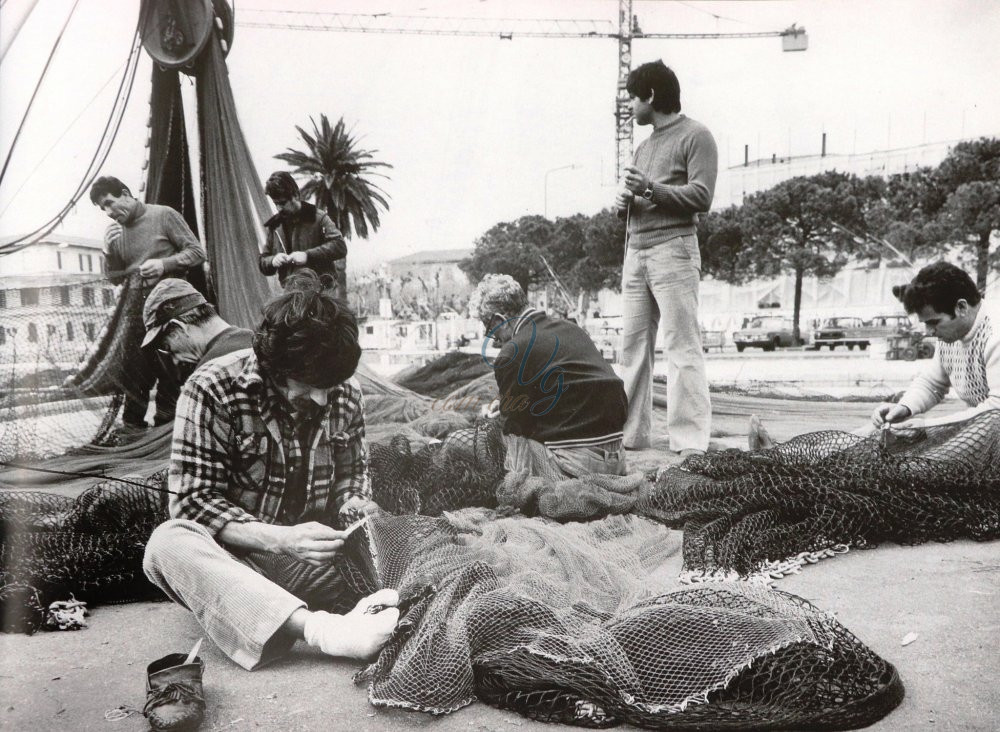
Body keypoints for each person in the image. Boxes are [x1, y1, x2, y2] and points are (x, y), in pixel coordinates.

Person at [143, 269, 398, 685]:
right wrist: (281, 539)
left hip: (321, 562)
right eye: (309, 386)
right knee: (166, 544)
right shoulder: (211, 388)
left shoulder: (342, 392)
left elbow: (352, 477)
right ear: (272, 366)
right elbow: (192, 503)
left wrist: (354, 502)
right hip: (244, 566)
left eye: (329, 386)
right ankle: (325, 630)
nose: (322, 398)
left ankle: (311, 615)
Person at [613, 61, 717, 458]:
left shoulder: (697, 135)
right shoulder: (643, 146)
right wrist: (625, 204)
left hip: (673, 249)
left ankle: (689, 443)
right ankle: (632, 435)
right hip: (636, 253)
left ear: (651, 96)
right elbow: (642, 201)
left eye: (633, 98)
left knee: (681, 346)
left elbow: (702, 197)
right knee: (633, 348)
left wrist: (650, 189)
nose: (630, 107)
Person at [469, 274, 628, 479]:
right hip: (617, 459)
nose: (489, 335)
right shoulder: (571, 329)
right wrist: (509, 403)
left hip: (573, 468)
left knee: (496, 441)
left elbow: (514, 428)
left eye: (488, 327)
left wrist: (496, 417)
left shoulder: (511, 353)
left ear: (500, 320)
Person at [90, 176, 207, 429]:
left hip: (170, 303)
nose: (109, 212)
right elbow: (113, 280)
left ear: (125, 193)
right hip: (135, 307)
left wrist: (164, 264)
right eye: (103, 209)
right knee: (134, 373)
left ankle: (167, 431)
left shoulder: (164, 215)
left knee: (170, 370)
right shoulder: (115, 233)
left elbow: (198, 253)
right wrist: (108, 252)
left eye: (110, 203)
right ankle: (133, 432)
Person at [872, 261, 1000, 432]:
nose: (929, 331)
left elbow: (996, 411)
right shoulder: (953, 333)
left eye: (934, 322)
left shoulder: (995, 333)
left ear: (961, 307)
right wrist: (904, 407)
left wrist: (929, 427)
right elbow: (932, 383)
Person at [141, 278, 254, 384]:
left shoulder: (203, 380)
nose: (175, 361)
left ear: (180, 327)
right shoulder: (258, 342)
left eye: (167, 347)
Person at [259, 171, 348, 297]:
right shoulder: (274, 226)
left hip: (321, 294)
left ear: (295, 195)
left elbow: (339, 246)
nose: (279, 208)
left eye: (283, 203)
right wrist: (273, 260)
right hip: (290, 297)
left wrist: (308, 256)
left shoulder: (319, 218)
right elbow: (263, 261)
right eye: (275, 203)